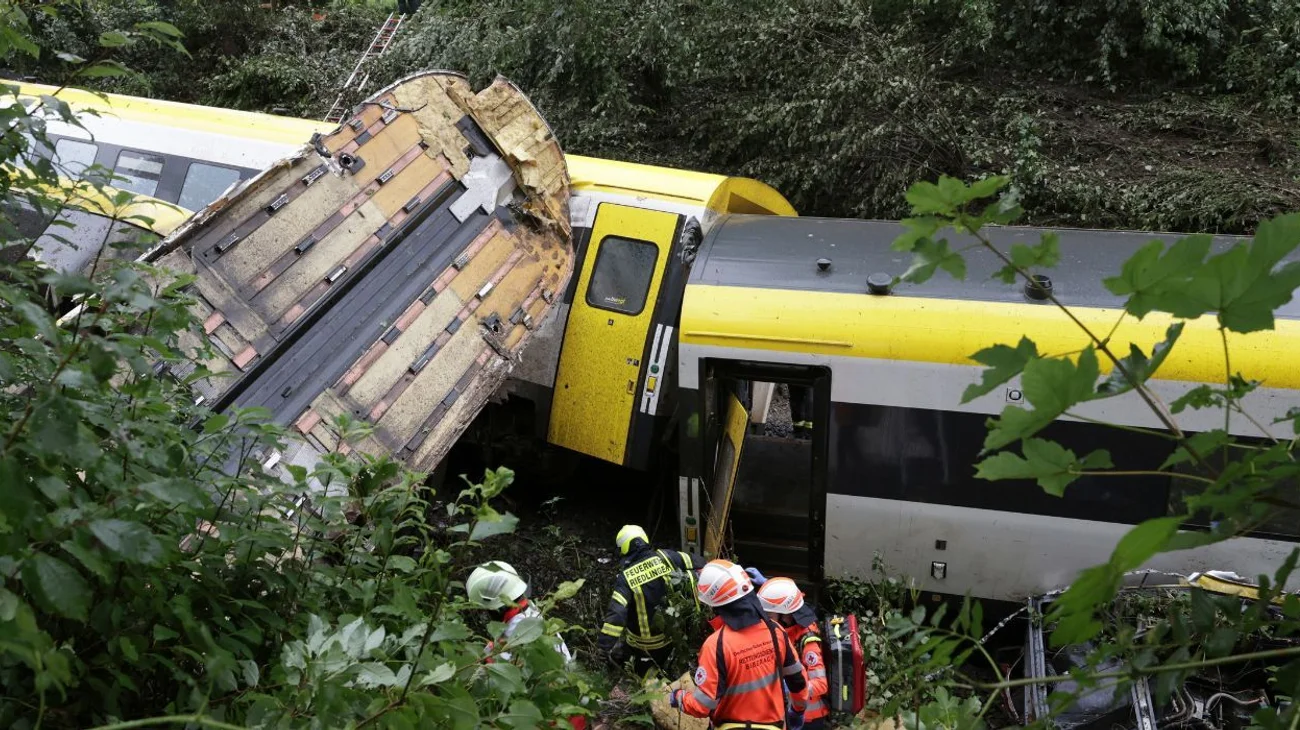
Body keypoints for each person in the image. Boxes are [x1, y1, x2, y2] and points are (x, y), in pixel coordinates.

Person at [667, 559, 811, 730]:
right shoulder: (776, 632)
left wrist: (678, 697)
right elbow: (798, 682)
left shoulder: (716, 645)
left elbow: (702, 706)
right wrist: (798, 711)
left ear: (714, 604)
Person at [466, 561, 587, 729]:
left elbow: (490, 690)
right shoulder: (532, 616)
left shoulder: (512, 642)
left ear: (495, 607)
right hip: (572, 713)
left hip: (552, 722)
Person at [598, 524, 704, 672]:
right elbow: (699, 563)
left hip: (644, 645)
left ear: (624, 548)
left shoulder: (626, 577)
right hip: (671, 637)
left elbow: (616, 615)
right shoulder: (667, 557)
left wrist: (603, 647)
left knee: (631, 668)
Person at [758, 576, 830, 729]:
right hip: (790, 713)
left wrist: (790, 686)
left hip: (808, 719)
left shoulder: (808, 641)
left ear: (786, 614)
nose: (767, 621)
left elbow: (821, 684)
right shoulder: (789, 630)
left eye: (770, 616)